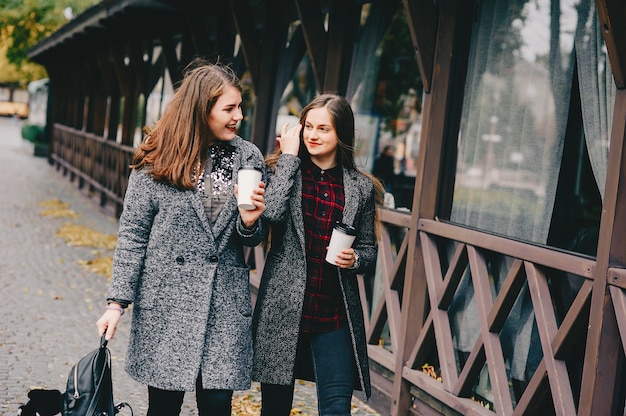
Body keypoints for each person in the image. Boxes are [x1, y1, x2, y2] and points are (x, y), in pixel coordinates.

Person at [95, 59, 266, 416]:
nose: (239, 116)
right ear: (201, 110)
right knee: (164, 406)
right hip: (168, 302)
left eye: (240, 107)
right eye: (229, 108)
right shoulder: (157, 159)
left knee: (218, 403)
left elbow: (251, 240)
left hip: (224, 303)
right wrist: (116, 304)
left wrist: (250, 223)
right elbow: (133, 235)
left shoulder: (247, 156)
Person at [252, 93, 384, 415]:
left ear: (342, 134)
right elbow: (271, 216)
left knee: (338, 408)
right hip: (283, 309)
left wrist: (355, 260)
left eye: (323, 129)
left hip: (334, 313)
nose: (313, 135)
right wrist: (288, 158)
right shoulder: (284, 171)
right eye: (308, 126)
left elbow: (368, 251)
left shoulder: (360, 188)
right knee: (275, 409)